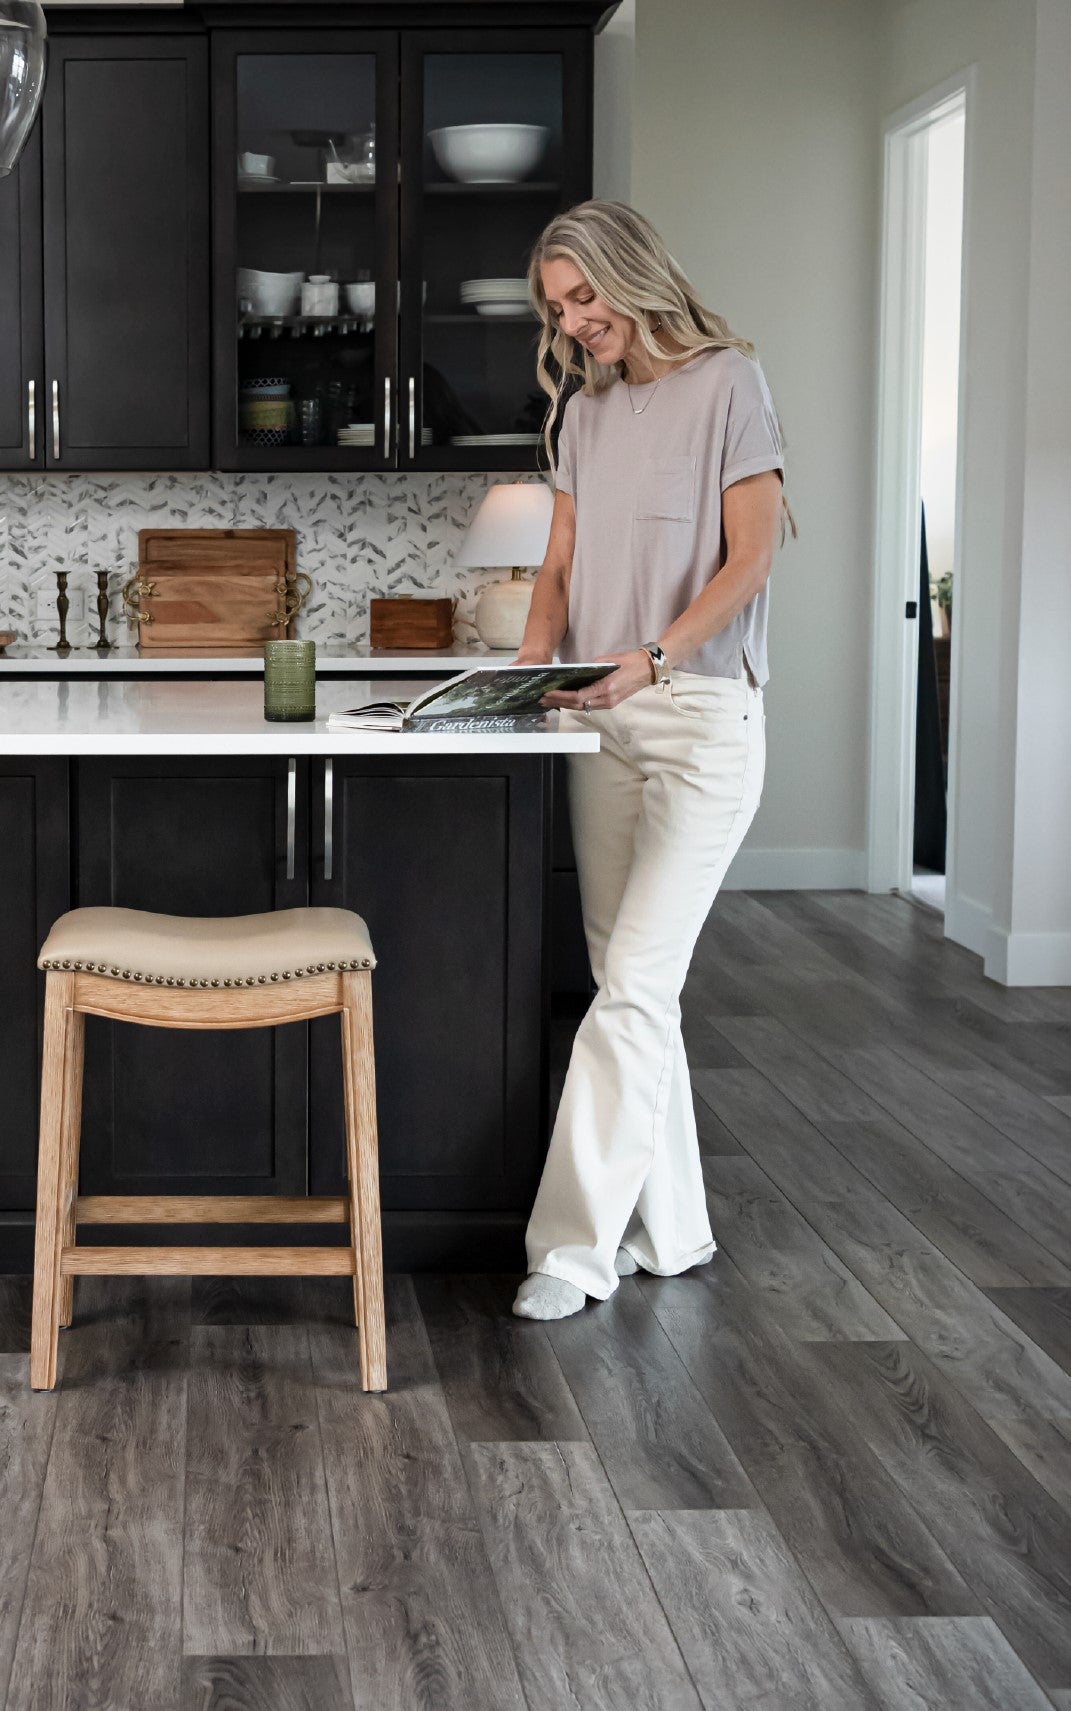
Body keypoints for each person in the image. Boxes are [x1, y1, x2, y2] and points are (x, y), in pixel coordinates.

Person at [509, 199, 791, 1321]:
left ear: (633, 275)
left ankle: (572, 1249)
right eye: (557, 308)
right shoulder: (585, 412)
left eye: (584, 297)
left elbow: (752, 556)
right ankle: (668, 1231)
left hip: (699, 719)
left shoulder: (729, 383)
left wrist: (652, 658)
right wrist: (528, 674)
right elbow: (559, 565)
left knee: (630, 986)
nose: (574, 323)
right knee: (632, 983)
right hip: (599, 720)